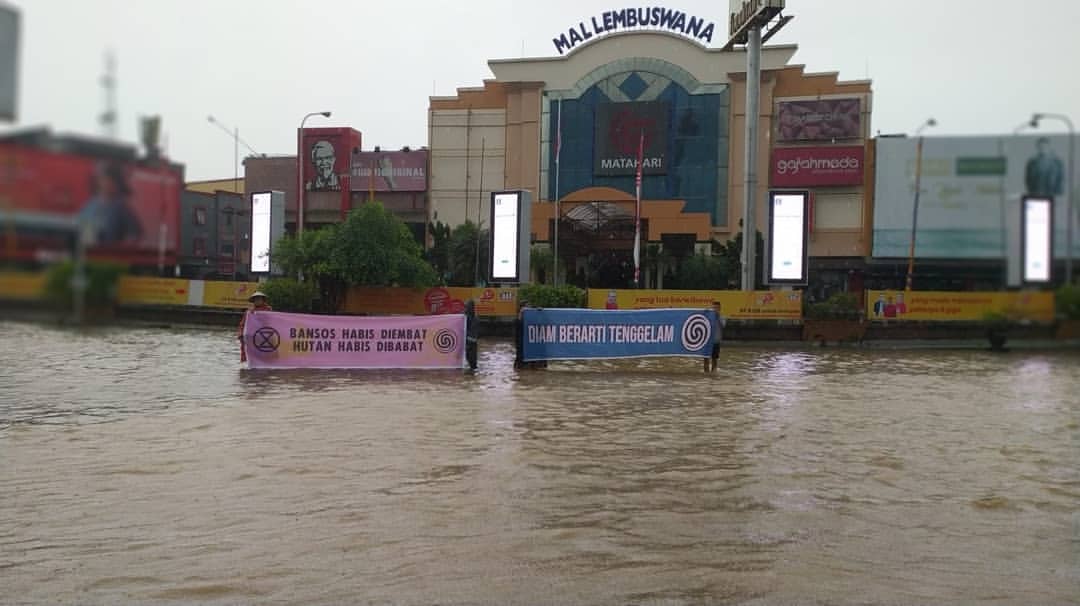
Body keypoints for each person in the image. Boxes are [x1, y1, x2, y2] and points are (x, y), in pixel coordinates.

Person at [76, 161, 143, 245]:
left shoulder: (122, 208)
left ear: (118, 184)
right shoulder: (89, 206)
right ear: (98, 181)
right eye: (104, 179)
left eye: (111, 180)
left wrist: (121, 249)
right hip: (90, 252)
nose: (107, 184)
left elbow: (135, 235)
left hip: (110, 254)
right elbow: (82, 232)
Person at [238, 291, 272, 362]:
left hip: (264, 336)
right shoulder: (249, 312)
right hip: (252, 337)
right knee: (247, 356)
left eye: (259, 299)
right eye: (256, 299)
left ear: (263, 300)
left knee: (266, 355)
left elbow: (272, 322)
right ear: (253, 301)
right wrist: (240, 334)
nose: (257, 301)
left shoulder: (268, 310)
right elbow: (242, 324)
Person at [705, 301, 726, 373]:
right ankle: (706, 374)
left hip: (716, 342)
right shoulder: (707, 317)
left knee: (714, 359)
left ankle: (713, 373)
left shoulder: (722, 317)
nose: (715, 309)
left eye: (716, 308)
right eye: (713, 308)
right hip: (707, 341)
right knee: (706, 359)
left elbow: (723, 325)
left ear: (720, 308)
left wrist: (718, 316)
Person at [464, 299, 479, 371]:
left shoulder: (467, 317)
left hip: (469, 341)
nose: (465, 308)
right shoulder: (475, 317)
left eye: (466, 306)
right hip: (473, 340)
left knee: (470, 359)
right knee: (473, 361)